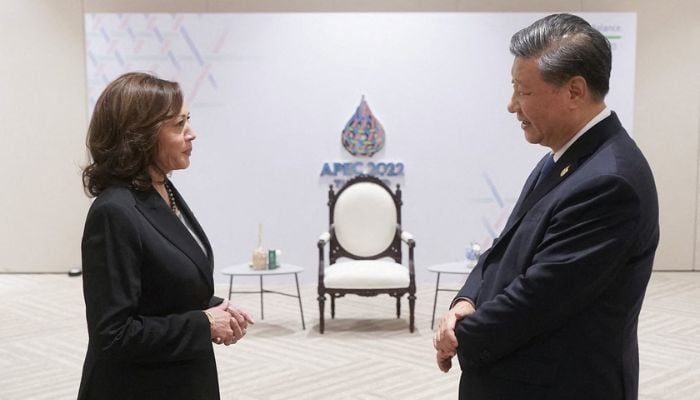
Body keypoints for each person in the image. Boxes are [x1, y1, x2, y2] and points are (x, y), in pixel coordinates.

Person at [433, 13, 659, 400]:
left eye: (523, 91)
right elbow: (505, 247)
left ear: (574, 91)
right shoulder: (564, 156)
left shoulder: (610, 182)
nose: (511, 105)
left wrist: (457, 337)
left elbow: (539, 298)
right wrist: (465, 301)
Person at [78, 72, 254, 400]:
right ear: (140, 136)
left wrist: (213, 306)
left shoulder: (162, 188)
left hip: (180, 377)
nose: (192, 134)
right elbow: (113, 336)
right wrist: (203, 324)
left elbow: (159, 289)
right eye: (178, 124)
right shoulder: (113, 213)